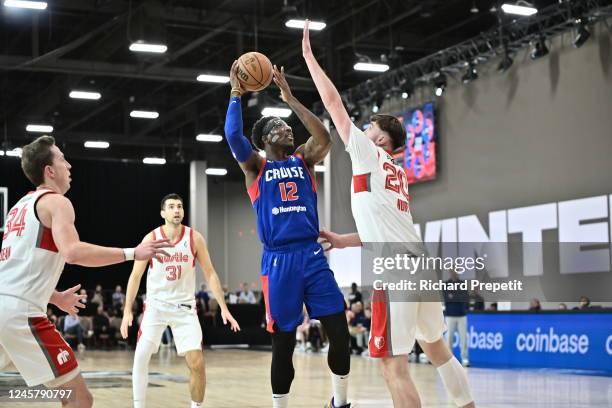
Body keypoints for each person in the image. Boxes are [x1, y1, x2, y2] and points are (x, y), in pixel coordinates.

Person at [302, 21, 475, 408]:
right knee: (438, 350)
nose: (362, 129)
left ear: (380, 138)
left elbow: (333, 105)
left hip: (396, 270)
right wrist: (343, 240)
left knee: (392, 366)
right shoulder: (396, 172)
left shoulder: (367, 153)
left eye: (369, 127)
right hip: (420, 266)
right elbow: (378, 229)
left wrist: (310, 59)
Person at [0, 135, 170, 408]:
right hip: (21, 315)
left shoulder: (18, 207)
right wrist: (132, 253)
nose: (69, 166)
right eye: (62, 159)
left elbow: (14, 271)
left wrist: (54, 297)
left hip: (4, 306)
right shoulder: (57, 202)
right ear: (50, 171)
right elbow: (73, 252)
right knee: (79, 398)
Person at [225, 61, 351, 408]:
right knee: (284, 344)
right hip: (278, 260)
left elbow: (324, 136)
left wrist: (291, 100)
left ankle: (339, 403)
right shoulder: (256, 168)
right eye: (281, 127)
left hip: (312, 255)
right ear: (266, 138)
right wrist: (236, 93)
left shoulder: (303, 161)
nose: (288, 130)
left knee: (339, 333)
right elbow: (234, 138)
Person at [120, 193, 240, 408]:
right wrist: (127, 310)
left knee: (197, 364)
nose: (177, 210)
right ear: (163, 213)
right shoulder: (151, 239)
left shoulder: (194, 238)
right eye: (172, 207)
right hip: (156, 306)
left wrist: (223, 307)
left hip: (185, 308)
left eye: (180, 206)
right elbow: (135, 276)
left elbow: (210, 273)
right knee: (141, 356)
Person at [444, 271, 470, 366]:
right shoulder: (446, 284)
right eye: (452, 271)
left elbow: (465, 298)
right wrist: (457, 296)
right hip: (450, 315)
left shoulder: (462, 284)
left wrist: (454, 296)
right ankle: (449, 360)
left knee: (463, 338)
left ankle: (465, 358)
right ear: (450, 273)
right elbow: (447, 298)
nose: (454, 273)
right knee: (449, 338)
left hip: (461, 315)